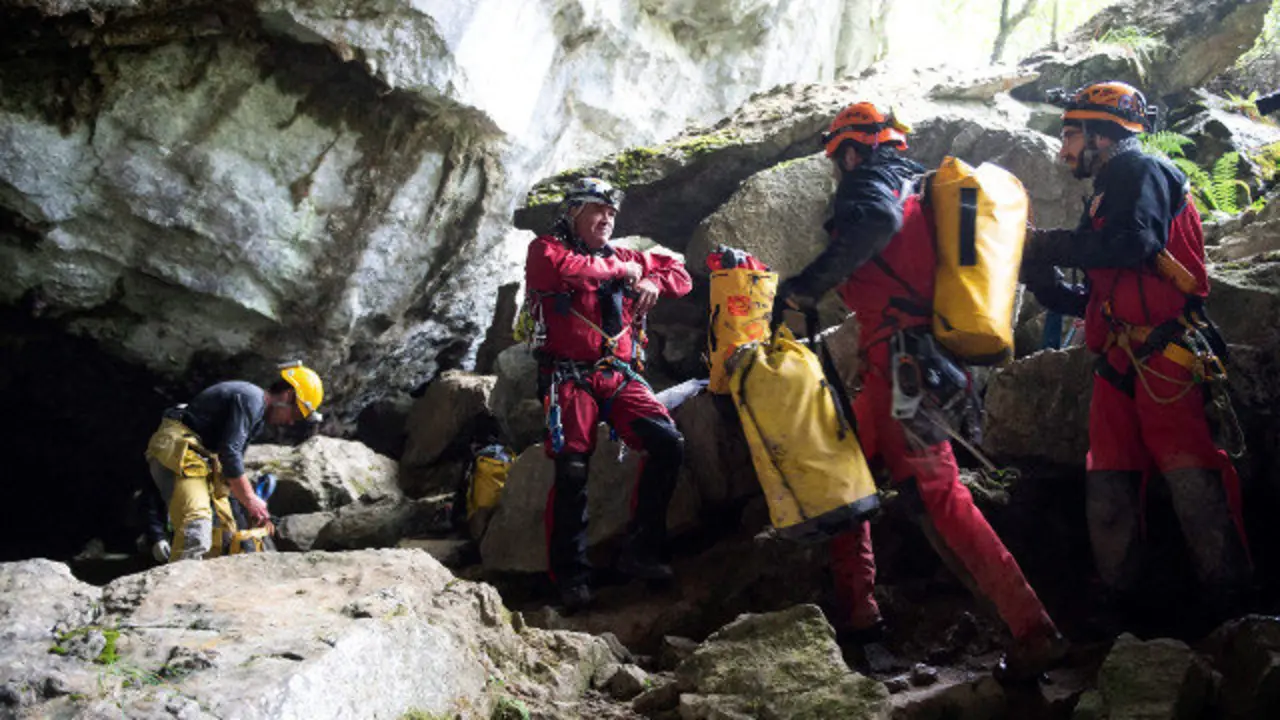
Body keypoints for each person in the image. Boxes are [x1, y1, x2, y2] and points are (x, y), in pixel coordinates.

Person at [773, 102, 1066, 680]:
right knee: (844, 474)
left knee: (939, 496)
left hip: (903, 370)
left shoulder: (869, 185)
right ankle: (861, 618)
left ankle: (1032, 628)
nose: (838, 168)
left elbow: (876, 223)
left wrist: (805, 287)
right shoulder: (926, 189)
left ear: (850, 152)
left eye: (838, 157)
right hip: (912, 364)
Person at [1021, 81, 1252, 626]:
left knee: (1191, 478)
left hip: (1165, 352)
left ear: (1102, 135)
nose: (1064, 149)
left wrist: (1046, 244)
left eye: (1071, 135)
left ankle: (1229, 602)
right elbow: (1097, 290)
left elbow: (1135, 244)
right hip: (1122, 358)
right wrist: (1044, 281)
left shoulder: (1142, 170)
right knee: (1109, 482)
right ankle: (1123, 602)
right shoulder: (1107, 192)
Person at [524, 177, 692, 611]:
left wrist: (654, 282)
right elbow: (567, 271)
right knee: (572, 469)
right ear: (573, 213)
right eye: (598, 210)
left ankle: (642, 551)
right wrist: (623, 271)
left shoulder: (624, 256)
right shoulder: (545, 250)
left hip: (617, 374)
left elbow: (681, 276)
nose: (607, 219)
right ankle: (571, 578)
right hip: (568, 376)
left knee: (667, 443)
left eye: (612, 213)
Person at [143, 362, 323, 562]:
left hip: (200, 457)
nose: (291, 422)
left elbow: (230, 472)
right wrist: (251, 499)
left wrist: (249, 511)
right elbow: (230, 454)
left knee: (224, 532)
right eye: (296, 414)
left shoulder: (257, 418)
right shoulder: (251, 398)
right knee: (197, 527)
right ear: (288, 396)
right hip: (180, 448)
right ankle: (176, 580)